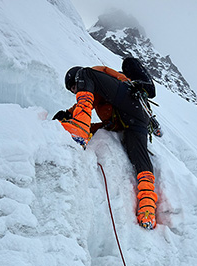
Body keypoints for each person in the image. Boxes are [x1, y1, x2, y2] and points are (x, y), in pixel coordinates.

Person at [53, 65, 158, 230]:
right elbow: (91, 104)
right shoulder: (98, 94)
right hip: (133, 118)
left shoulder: (90, 74)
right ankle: (147, 210)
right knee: (141, 162)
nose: (76, 91)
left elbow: (105, 78)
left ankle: (79, 129)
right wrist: (67, 114)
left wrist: (78, 124)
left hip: (129, 98)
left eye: (74, 87)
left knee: (86, 73)